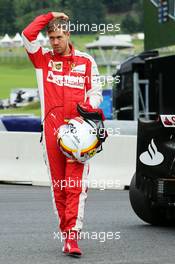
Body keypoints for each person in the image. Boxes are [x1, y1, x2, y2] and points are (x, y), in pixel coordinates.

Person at [22, 12, 103, 257]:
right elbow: (27, 35)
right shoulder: (42, 59)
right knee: (59, 187)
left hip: (80, 134)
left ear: (68, 35)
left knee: (75, 187)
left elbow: (96, 92)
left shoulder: (87, 61)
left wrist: (87, 110)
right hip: (51, 133)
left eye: (58, 37)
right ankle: (66, 234)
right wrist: (49, 16)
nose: (54, 42)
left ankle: (74, 236)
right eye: (51, 37)